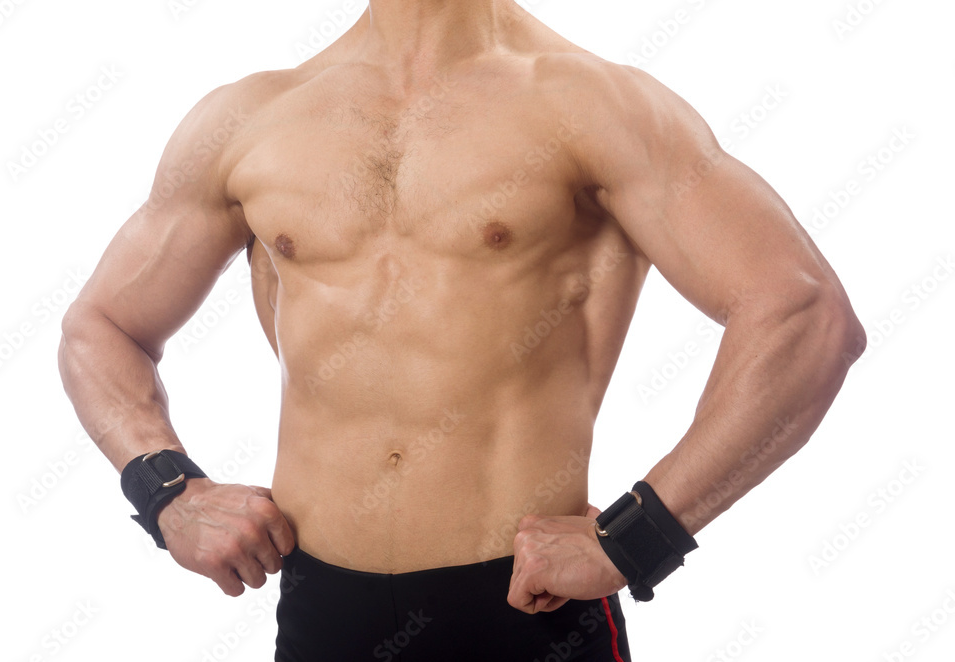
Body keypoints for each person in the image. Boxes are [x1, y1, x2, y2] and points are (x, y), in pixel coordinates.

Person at [58, 1, 865, 660]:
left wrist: (638, 536)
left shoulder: (590, 103)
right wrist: (166, 491)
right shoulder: (250, 118)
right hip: (321, 613)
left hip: (526, 609)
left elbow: (801, 313)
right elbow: (102, 327)